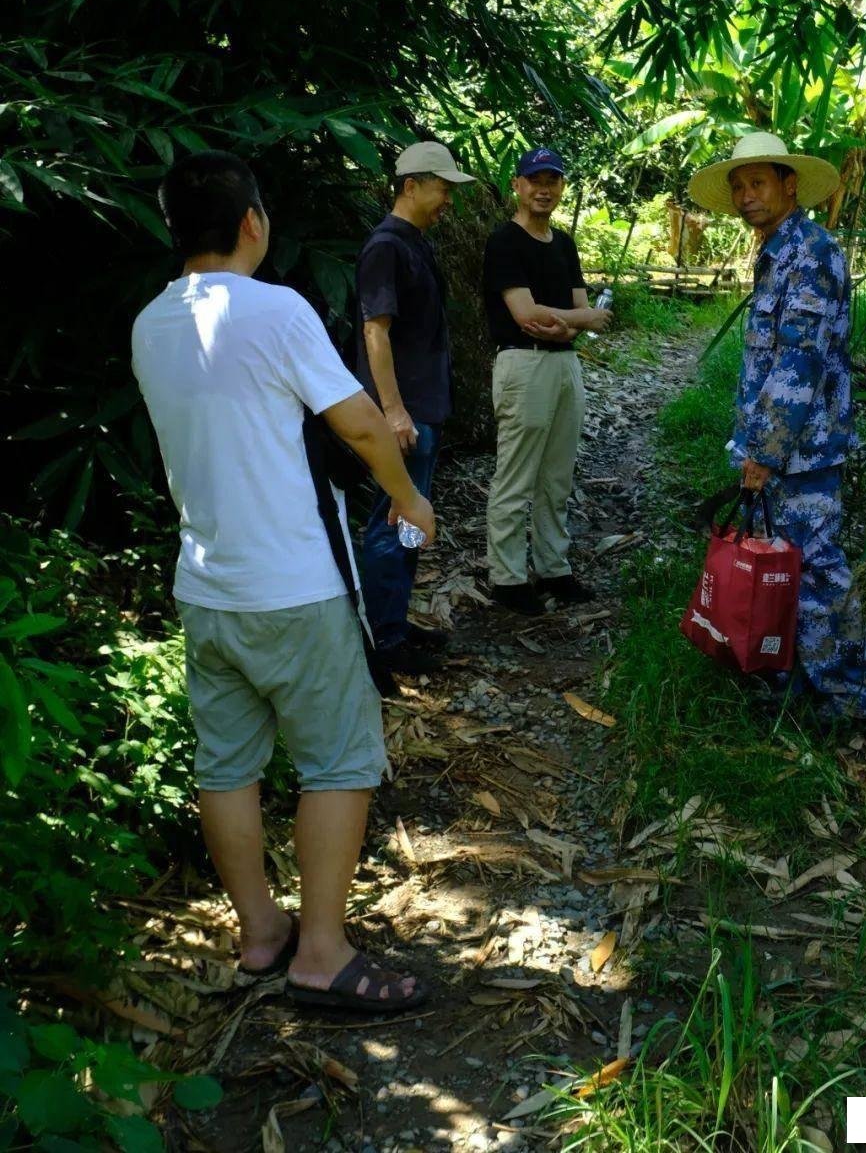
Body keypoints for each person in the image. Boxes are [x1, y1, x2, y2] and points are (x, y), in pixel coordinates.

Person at [132, 151, 435, 1014]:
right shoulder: (276, 309)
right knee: (339, 763)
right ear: (253, 223)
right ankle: (323, 952)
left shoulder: (152, 322)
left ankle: (262, 933)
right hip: (296, 588)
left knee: (226, 765)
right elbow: (364, 429)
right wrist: (411, 503)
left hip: (206, 587)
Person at [688, 131, 866, 722]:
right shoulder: (776, 251)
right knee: (786, 568)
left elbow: (799, 363)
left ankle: (852, 697)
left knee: (818, 570)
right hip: (778, 449)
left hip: (803, 452)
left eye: (759, 183)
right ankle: (799, 677)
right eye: (740, 186)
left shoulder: (812, 253)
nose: (748, 195)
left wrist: (765, 452)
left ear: (789, 185)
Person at [355, 142, 474, 680]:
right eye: (443, 187)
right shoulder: (386, 246)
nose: (448, 198)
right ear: (411, 186)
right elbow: (374, 332)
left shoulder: (415, 243)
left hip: (423, 409)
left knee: (410, 517)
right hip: (403, 416)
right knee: (391, 519)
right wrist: (394, 412)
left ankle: (394, 624)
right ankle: (379, 641)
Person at [482, 146, 612, 616]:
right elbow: (524, 313)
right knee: (516, 474)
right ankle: (508, 577)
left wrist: (571, 323)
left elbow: (566, 313)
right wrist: (584, 318)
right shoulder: (504, 242)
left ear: (561, 187)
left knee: (557, 475)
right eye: (534, 179)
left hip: (564, 364)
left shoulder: (563, 243)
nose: (544, 188)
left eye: (552, 180)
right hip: (523, 363)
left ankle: (554, 568)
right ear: (516, 185)